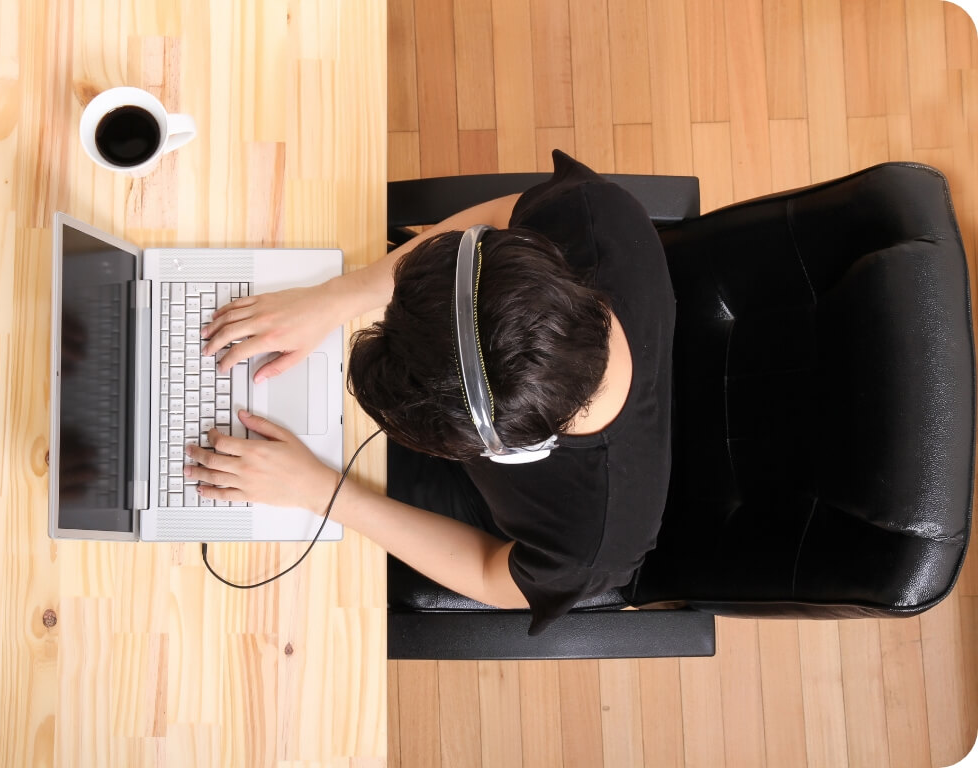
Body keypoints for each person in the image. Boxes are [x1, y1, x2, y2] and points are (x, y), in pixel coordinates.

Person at [184, 150, 675, 635]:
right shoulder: (593, 214)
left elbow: (492, 574)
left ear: (498, 449)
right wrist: (337, 296)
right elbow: (495, 219)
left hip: (476, 509)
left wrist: (321, 493)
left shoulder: (591, 546)